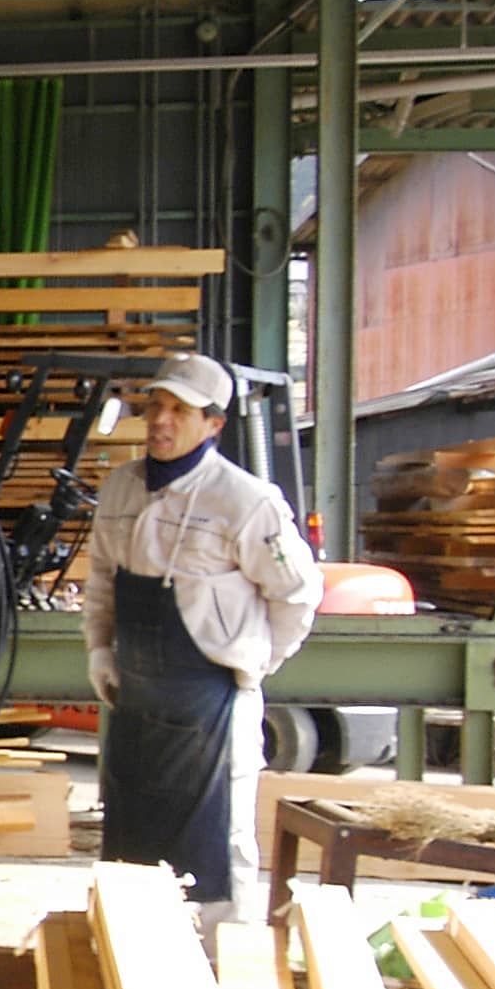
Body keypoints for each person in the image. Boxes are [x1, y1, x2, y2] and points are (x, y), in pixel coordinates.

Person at [82, 353, 323, 924]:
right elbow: (101, 584)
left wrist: (256, 663)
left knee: (217, 845)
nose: (162, 421)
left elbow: (296, 595)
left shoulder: (246, 503)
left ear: (213, 424)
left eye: (180, 411)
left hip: (211, 702)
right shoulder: (120, 490)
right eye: (156, 407)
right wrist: (99, 648)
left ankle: (221, 968)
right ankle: (129, 953)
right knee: (131, 835)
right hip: (137, 702)